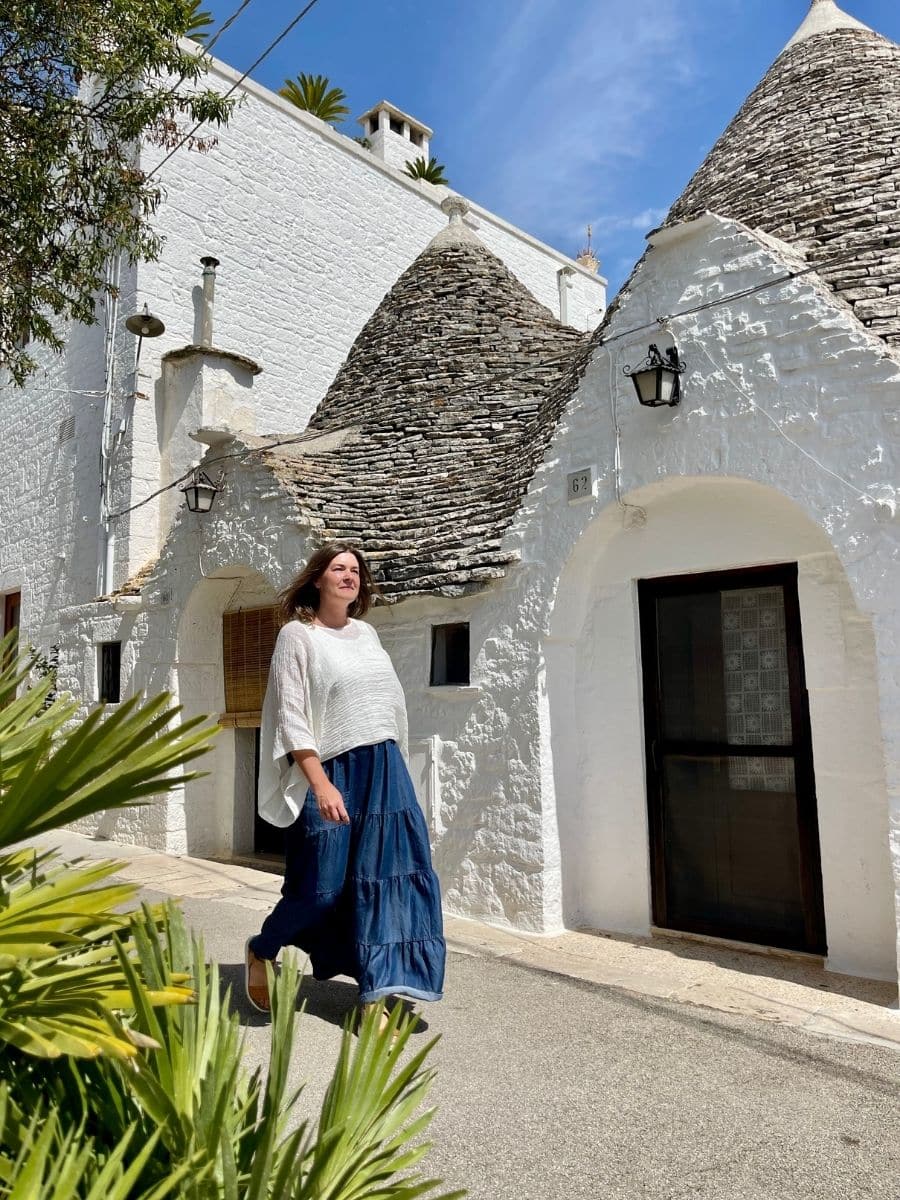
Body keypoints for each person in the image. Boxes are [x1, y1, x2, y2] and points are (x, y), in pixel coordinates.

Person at [245, 541, 445, 1023]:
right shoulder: (298, 636)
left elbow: (386, 710)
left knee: (386, 881)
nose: (349, 576)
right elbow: (292, 717)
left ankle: (376, 992)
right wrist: (320, 784)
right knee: (322, 887)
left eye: (356, 570)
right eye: (339, 568)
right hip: (330, 770)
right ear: (318, 579)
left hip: (383, 771)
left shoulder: (367, 635)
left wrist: (395, 770)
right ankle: (263, 946)